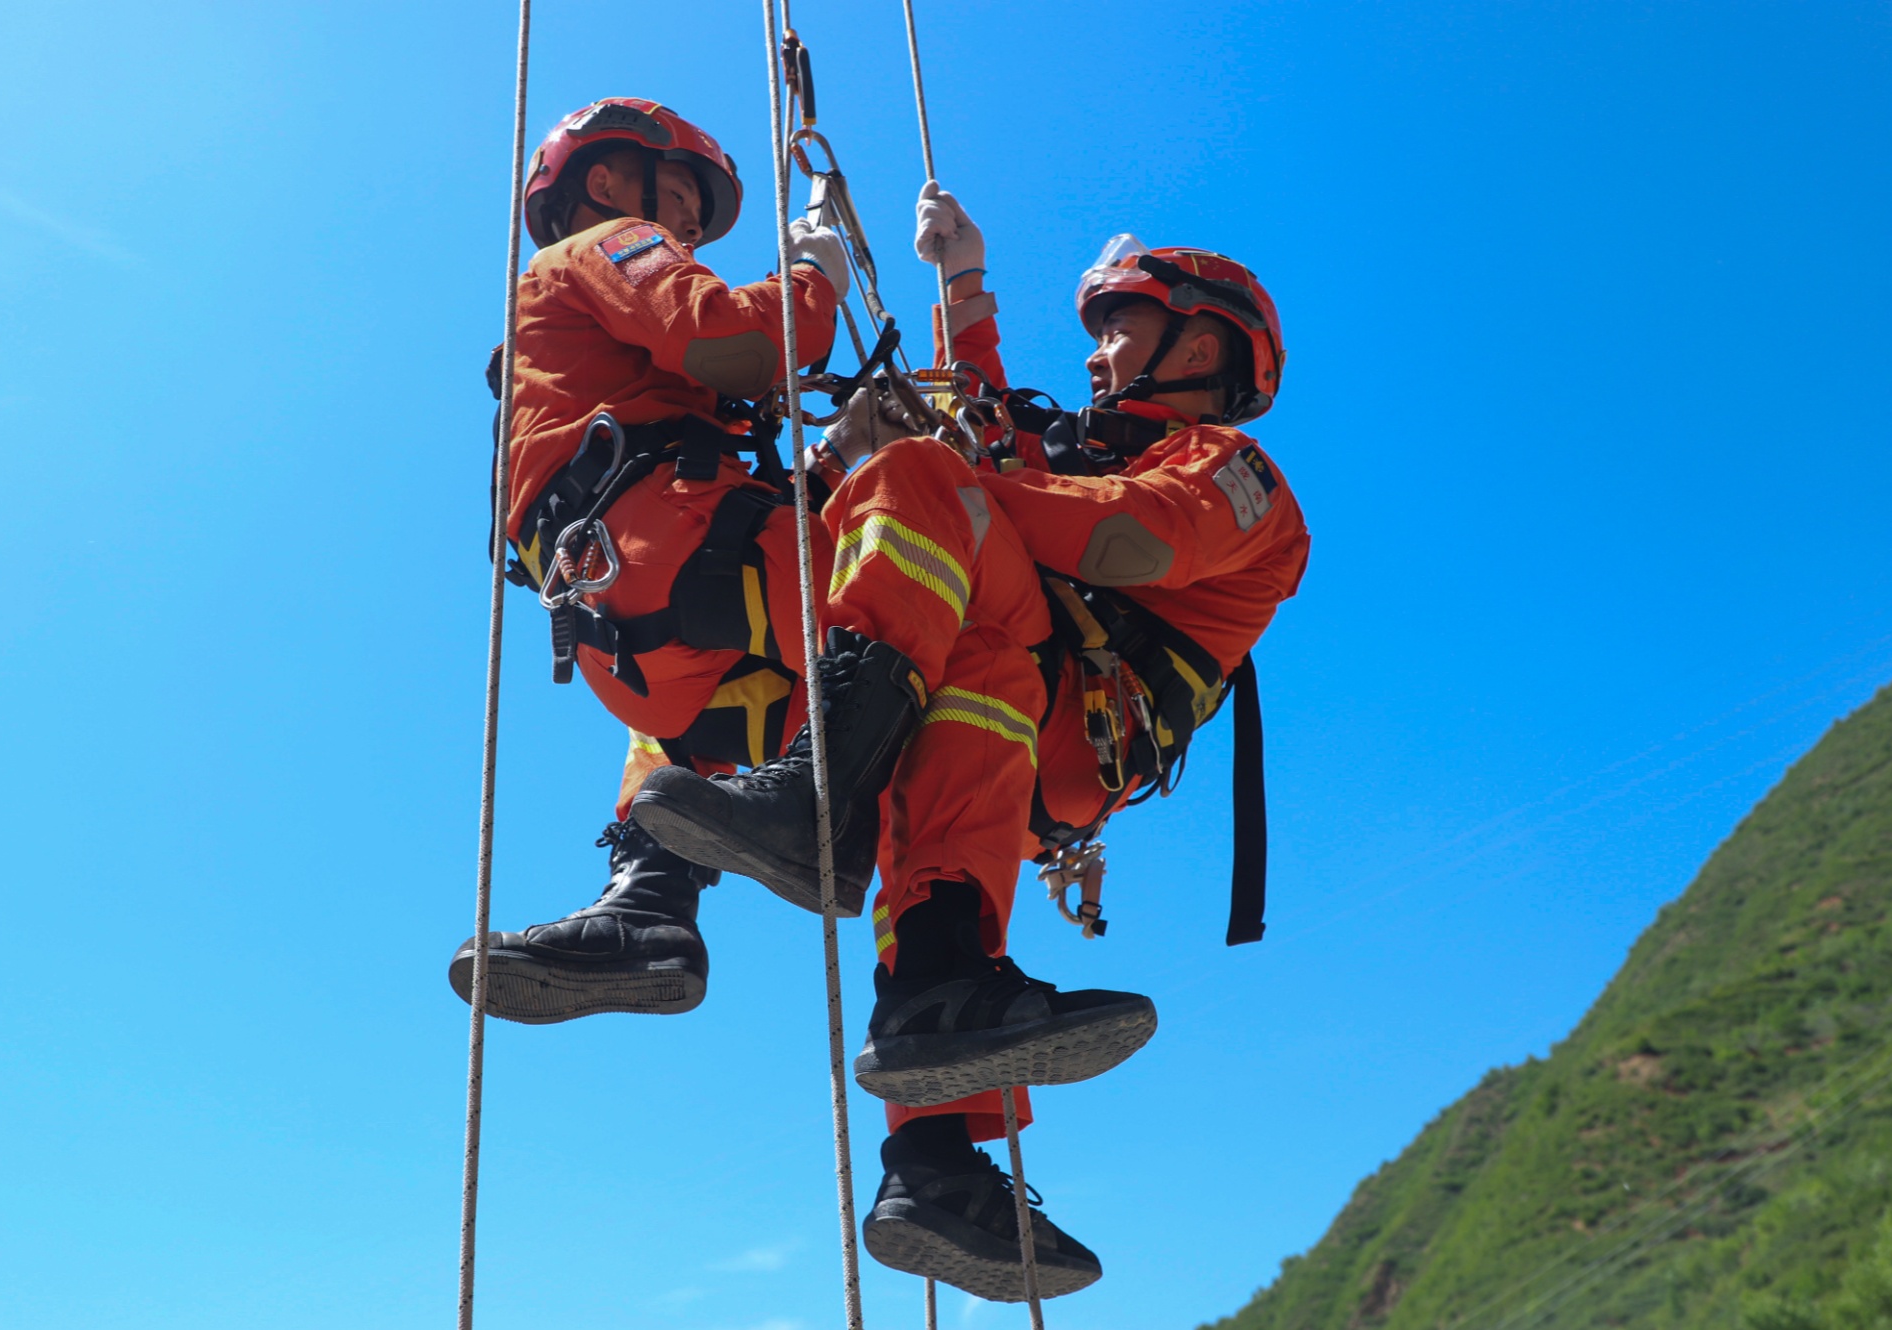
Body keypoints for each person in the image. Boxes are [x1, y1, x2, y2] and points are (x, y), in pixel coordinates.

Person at [633, 182, 1311, 1300]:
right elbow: (986, 417)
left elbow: (1127, 539)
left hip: (1073, 731)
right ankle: (933, 1157)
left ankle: (815, 806)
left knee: (916, 488)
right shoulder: (1069, 451)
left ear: (1204, 343)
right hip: (985, 699)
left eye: (1119, 327)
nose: (1094, 355)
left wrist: (954, 474)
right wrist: (961, 282)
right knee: (804, 602)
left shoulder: (1232, 477)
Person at [447, 97, 851, 1024]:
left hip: (636, 646)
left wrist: (836, 445)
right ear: (606, 182)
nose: (690, 230)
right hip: (679, 553)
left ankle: (649, 904)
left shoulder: (579, 356)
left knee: (681, 737)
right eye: (679, 198)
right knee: (914, 534)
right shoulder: (604, 246)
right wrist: (812, 275)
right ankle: (884, 834)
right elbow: (744, 344)